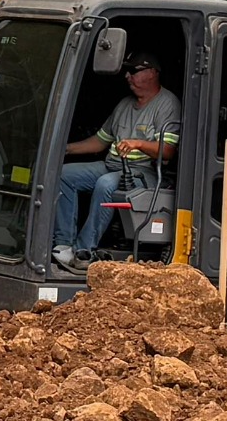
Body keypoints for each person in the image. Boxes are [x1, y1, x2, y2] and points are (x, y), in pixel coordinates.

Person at [53, 53, 181, 266]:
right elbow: (101, 141)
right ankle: (63, 244)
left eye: (134, 71)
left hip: (144, 173)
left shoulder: (167, 104)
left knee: (106, 184)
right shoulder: (124, 104)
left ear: (152, 73)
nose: (128, 76)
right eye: (127, 72)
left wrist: (138, 143)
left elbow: (167, 151)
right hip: (111, 165)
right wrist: (66, 149)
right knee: (65, 175)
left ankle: (83, 250)